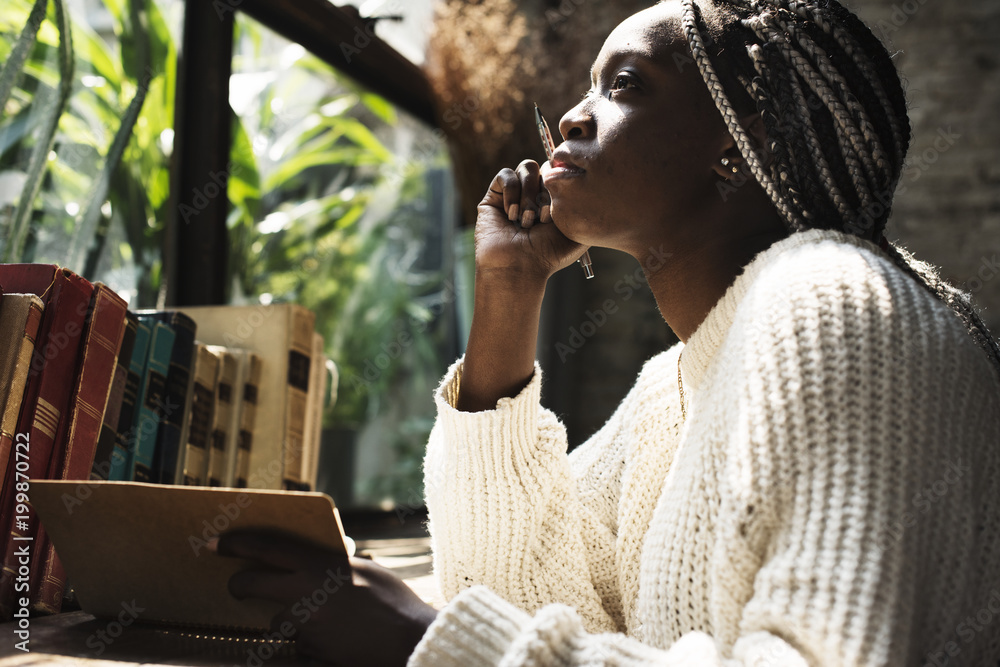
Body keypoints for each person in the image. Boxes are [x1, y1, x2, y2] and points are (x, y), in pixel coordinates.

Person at [216, 0, 1000, 664]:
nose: (570, 115)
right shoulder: (675, 384)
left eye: (624, 85)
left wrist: (422, 639)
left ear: (738, 147)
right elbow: (511, 592)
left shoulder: (837, 304)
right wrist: (510, 292)